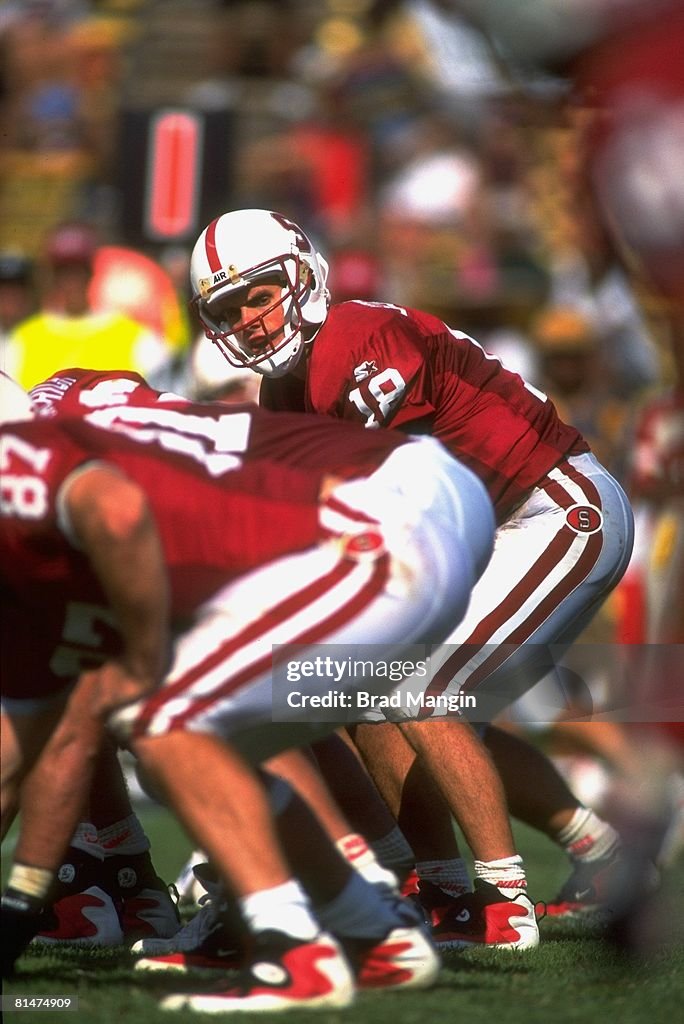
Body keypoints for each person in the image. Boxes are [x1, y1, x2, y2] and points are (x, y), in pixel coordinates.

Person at [189, 207, 636, 932]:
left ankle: (502, 901)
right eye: (229, 310)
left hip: (552, 507)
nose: (251, 321)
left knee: (421, 688)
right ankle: (450, 889)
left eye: (259, 295)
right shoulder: (285, 390)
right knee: (373, 693)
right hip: (485, 534)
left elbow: (388, 504)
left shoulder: (360, 340)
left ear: (303, 277)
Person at [0, 368, 497, 1010]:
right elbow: (49, 742)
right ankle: (372, 930)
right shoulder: (57, 498)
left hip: (375, 526)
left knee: (162, 715)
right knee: (200, 737)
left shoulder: (29, 462)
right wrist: (20, 902)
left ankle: (295, 949)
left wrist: (143, 660)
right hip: (396, 517)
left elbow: (116, 511)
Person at [2, 223, 175, 390]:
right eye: (64, 272)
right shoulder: (20, 342)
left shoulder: (138, 339)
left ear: (91, 273)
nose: (72, 282)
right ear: (53, 276)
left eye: (78, 271)